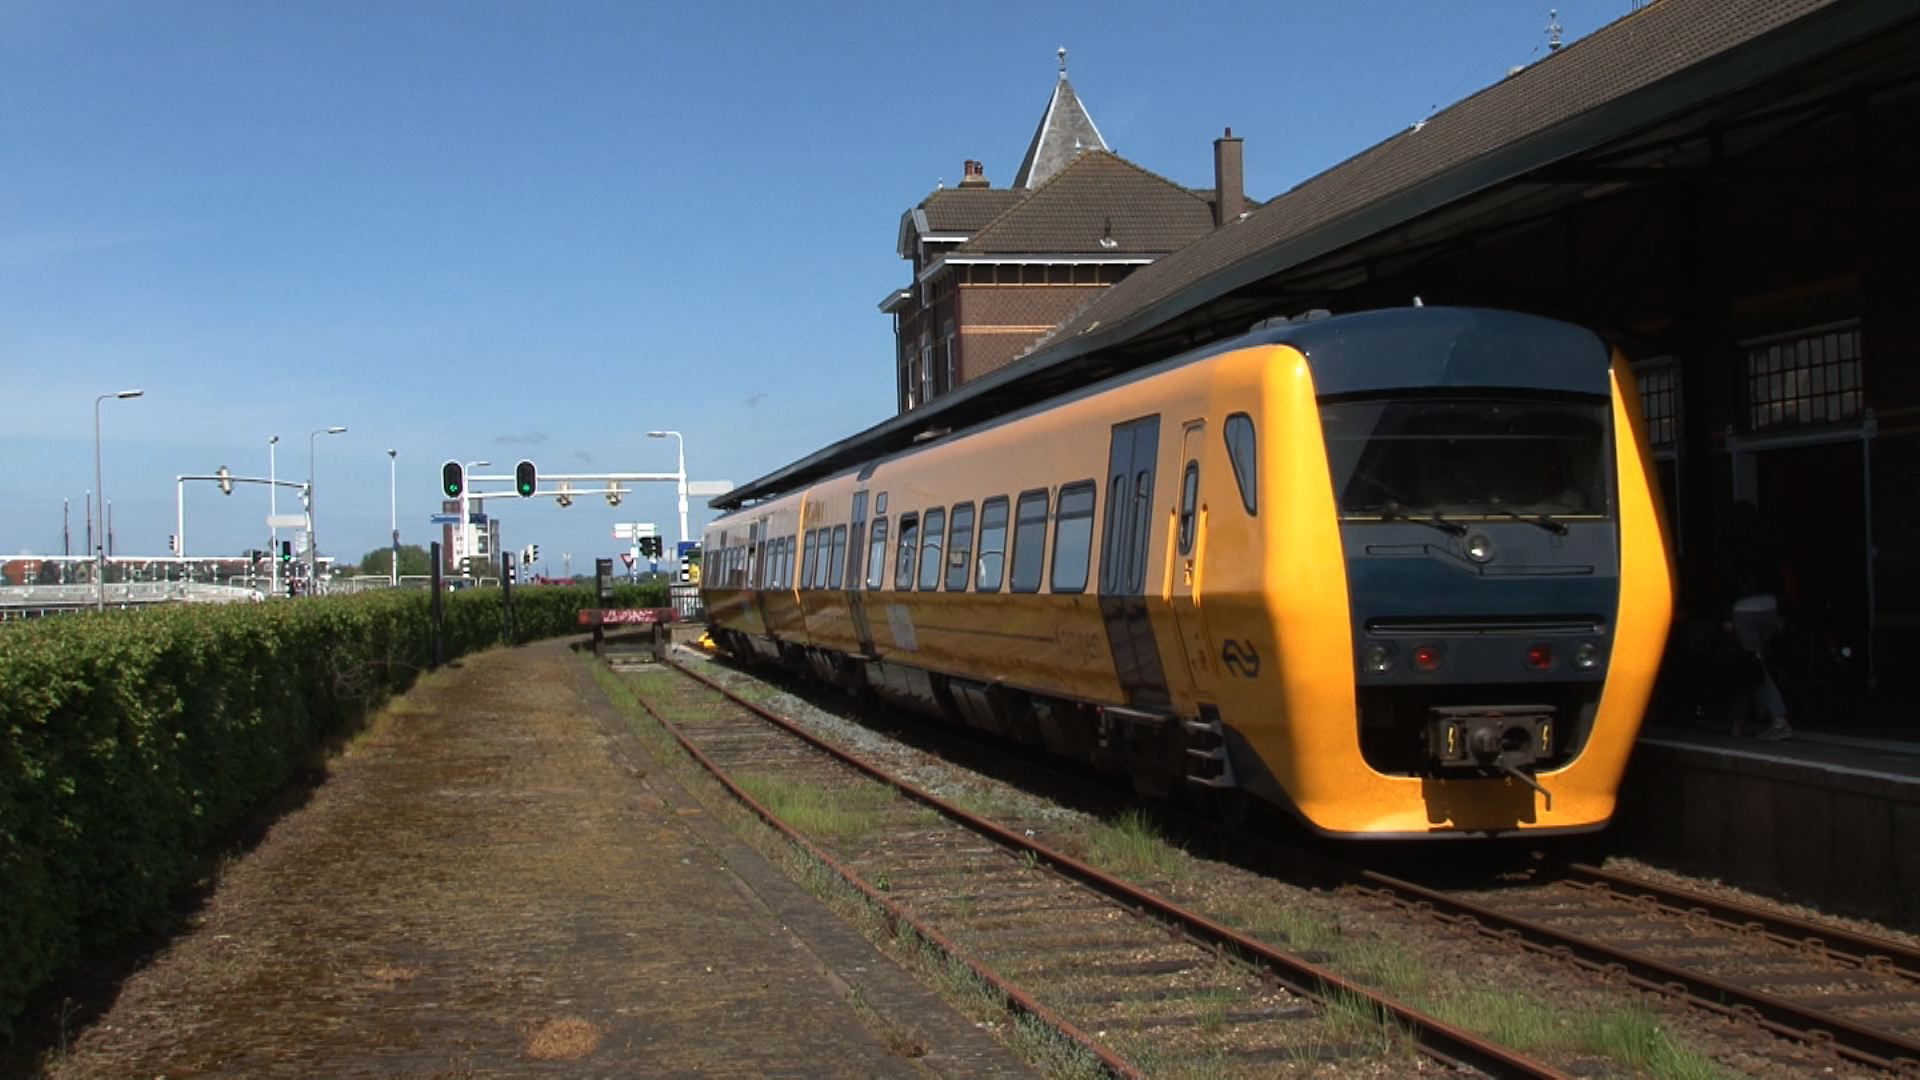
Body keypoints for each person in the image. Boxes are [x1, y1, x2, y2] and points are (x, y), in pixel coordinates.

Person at [1720, 501, 1793, 740]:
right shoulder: (1768, 542)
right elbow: (1778, 576)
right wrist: (1781, 611)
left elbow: (1728, 579)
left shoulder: (1732, 545)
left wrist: (1725, 615)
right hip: (1770, 606)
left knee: (1753, 666)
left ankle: (1776, 719)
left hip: (1744, 609)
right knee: (1759, 663)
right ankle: (1745, 720)